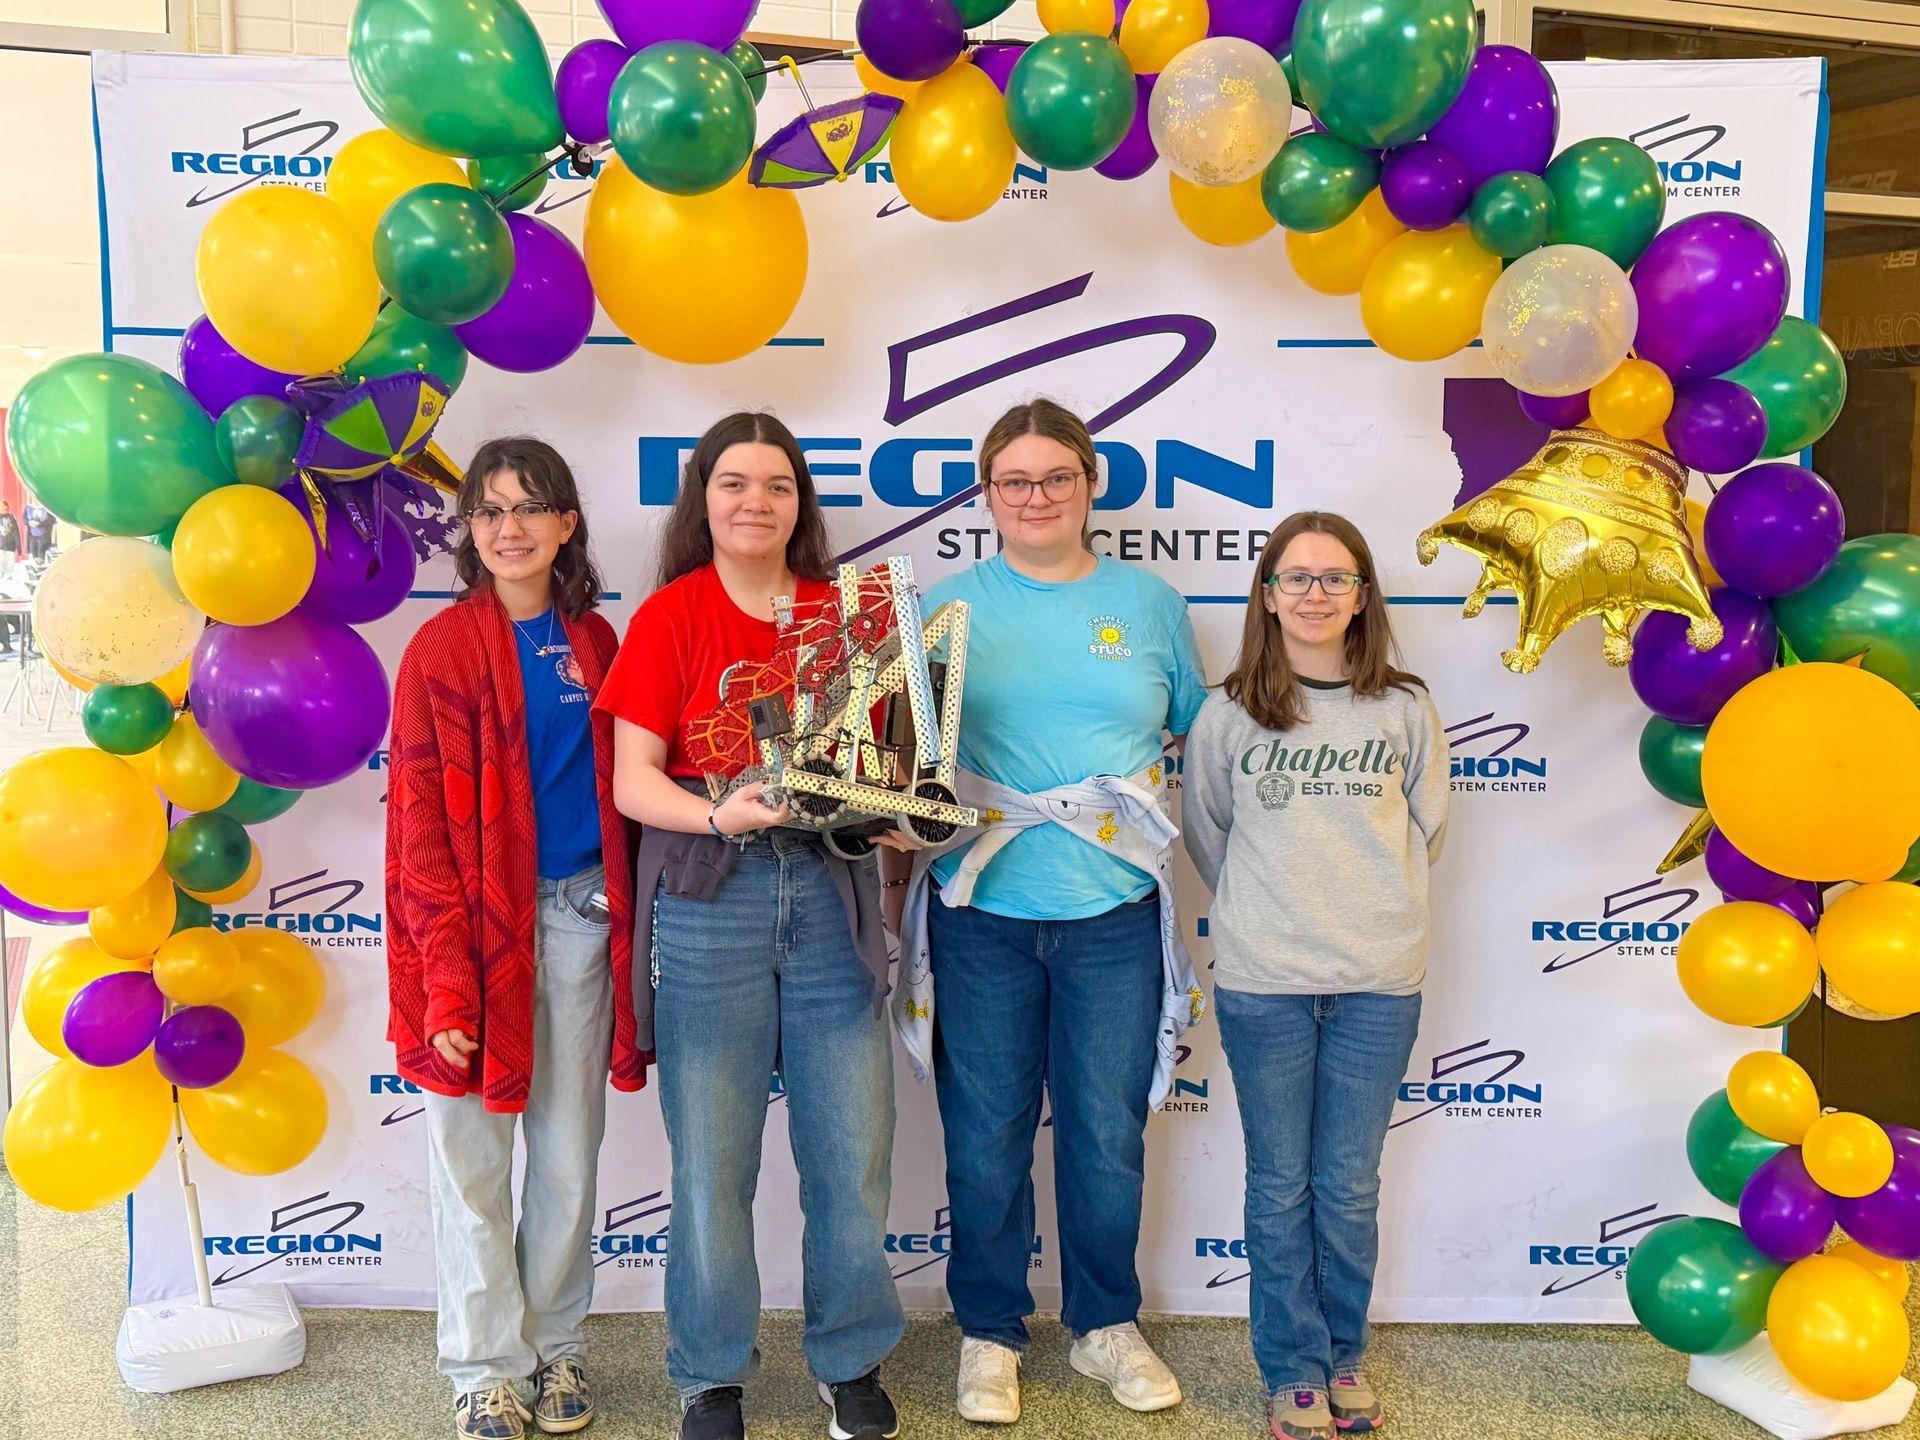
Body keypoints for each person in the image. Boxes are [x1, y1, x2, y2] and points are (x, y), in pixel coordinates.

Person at [889, 398, 1207, 1425]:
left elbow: (1197, 733)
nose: (1037, 497)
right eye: (1015, 481)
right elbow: (905, 762)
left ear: (1090, 483)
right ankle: (989, 1331)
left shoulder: (1150, 605)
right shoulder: (944, 610)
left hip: (1112, 911)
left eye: (1057, 477)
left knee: (1107, 1134)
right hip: (981, 910)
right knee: (985, 1135)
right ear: (986, 494)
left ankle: (1105, 1323)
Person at [598, 412, 905, 1440]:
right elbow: (636, 782)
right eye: (735, 483)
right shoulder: (670, 616)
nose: (756, 502)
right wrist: (719, 815)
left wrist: (890, 805)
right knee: (710, 1161)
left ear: (799, 503)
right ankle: (710, 1374)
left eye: (778, 485)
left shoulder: (849, 613)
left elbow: (888, 764)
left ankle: (850, 1361)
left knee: (850, 1153)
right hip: (709, 897)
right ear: (704, 499)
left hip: (829, 891)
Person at [386, 436, 645, 1440]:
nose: (509, 528)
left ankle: (557, 1348)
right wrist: (446, 982)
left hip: (582, 919)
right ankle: (485, 1368)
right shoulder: (440, 651)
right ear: (470, 530)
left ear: (566, 523)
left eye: (530, 507)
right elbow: (419, 831)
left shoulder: (597, 642)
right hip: (470, 930)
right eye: (490, 510)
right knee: (471, 1159)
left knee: (569, 1154)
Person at [1181, 512, 1449, 1440]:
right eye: (1295, 577)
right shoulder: (1227, 714)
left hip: (1379, 978)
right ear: (1266, 595)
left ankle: (1343, 1357)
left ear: (1363, 596)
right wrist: (1276, 910)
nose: (1315, 594)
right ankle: (1291, 1368)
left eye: (1336, 578)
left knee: (1348, 1184)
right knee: (1279, 1185)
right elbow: (1209, 834)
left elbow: (1426, 830)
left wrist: (1363, 906)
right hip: (1267, 982)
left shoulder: (1405, 708)